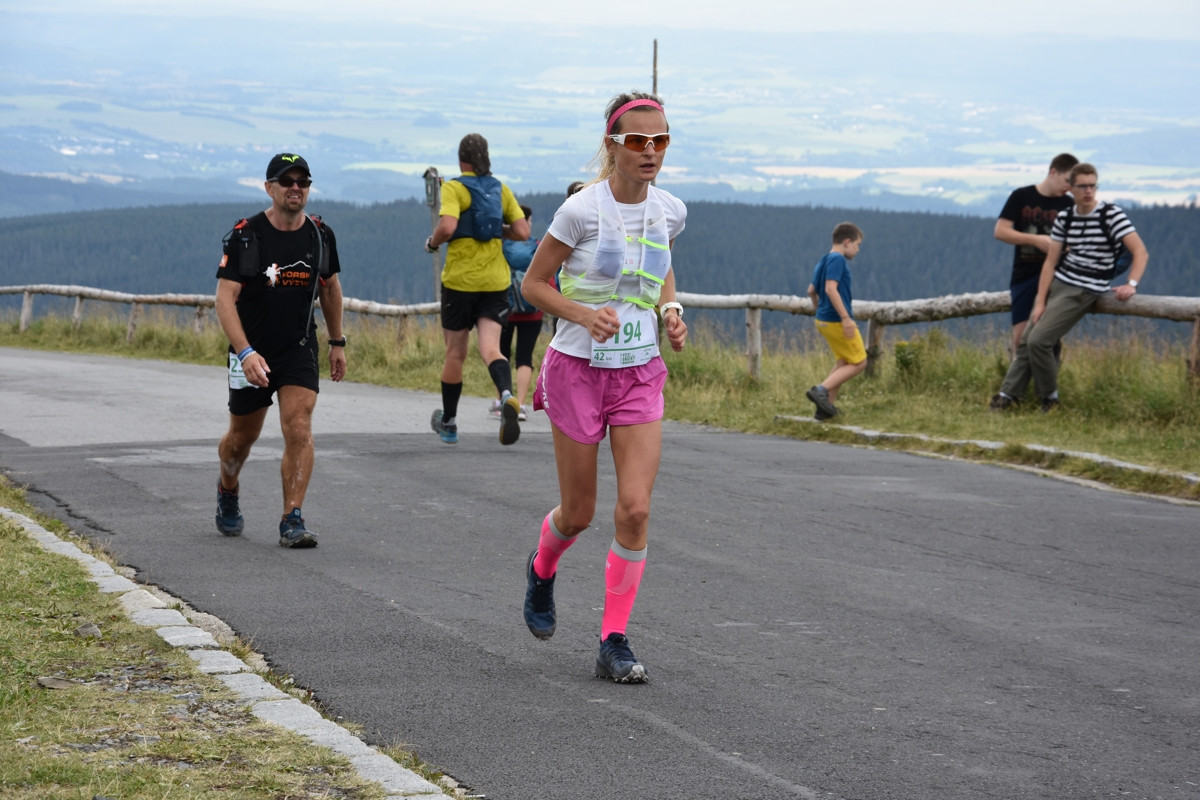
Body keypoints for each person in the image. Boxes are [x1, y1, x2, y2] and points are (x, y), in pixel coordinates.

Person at [519, 91, 687, 684]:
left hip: (639, 370)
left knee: (635, 509)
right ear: (612, 145)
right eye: (637, 140)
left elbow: (661, 266)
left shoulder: (670, 210)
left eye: (660, 140)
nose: (650, 151)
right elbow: (533, 285)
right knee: (580, 512)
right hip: (578, 371)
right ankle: (542, 567)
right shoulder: (580, 212)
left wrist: (670, 311)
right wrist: (583, 315)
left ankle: (613, 639)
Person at [214, 153, 346, 548]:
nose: (295, 188)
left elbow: (330, 288)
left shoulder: (320, 234)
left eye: (303, 182)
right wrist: (245, 353)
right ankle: (228, 487)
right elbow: (225, 299)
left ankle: (292, 518)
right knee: (241, 439)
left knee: (299, 425)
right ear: (269, 188)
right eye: (287, 181)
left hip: (297, 347)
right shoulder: (246, 235)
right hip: (251, 351)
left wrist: (337, 342)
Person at [990, 163, 1148, 412]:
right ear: (1071, 188)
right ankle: (1006, 396)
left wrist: (1132, 284)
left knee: (1039, 341)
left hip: (1083, 289)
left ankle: (1049, 399)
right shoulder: (1066, 217)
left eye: (1092, 185)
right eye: (1082, 186)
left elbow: (1140, 251)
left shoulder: (1111, 214)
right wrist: (1040, 301)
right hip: (1059, 282)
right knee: (1027, 341)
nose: (1088, 191)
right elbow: (1050, 262)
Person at [423, 133, 531, 446]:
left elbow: (447, 227)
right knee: (491, 349)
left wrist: (432, 243)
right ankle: (507, 396)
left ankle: (449, 423)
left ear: (462, 160)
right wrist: (497, 229)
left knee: (455, 353)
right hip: (495, 282)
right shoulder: (500, 189)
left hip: (460, 282)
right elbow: (523, 231)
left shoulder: (454, 188)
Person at [994, 153, 1079, 357]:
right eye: (1067, 181)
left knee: (1048, 338)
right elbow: (1000, 231)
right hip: (1025, 275)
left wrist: (1061, 247)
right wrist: (1035, 240)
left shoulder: (1069, 204)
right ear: (1053, 172)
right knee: (1020, 338)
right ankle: (1017, 377)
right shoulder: (1021, 196)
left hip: (1058, 278)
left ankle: (1047, 378)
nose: (1069, 187)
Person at [804, 222, 866, 421]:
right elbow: (830, 289)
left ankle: (825, 410)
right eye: (857, 244)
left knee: (843, 362)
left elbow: (811, 291)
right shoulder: (838, 259)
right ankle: (821, 390)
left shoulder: (823, 260)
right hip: (837, 320)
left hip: (824, 320)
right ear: (847, 242)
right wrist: (846, 318)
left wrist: (819, 311)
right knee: (859, 362)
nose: (857, 249)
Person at [489, 204, 542, 422]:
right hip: (532, 310)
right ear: (525, 221)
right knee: (524, 358)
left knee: (500, 354)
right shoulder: (537, 246)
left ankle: (501, 400)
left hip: (504, 309)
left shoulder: (499, 245)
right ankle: (520, 404)